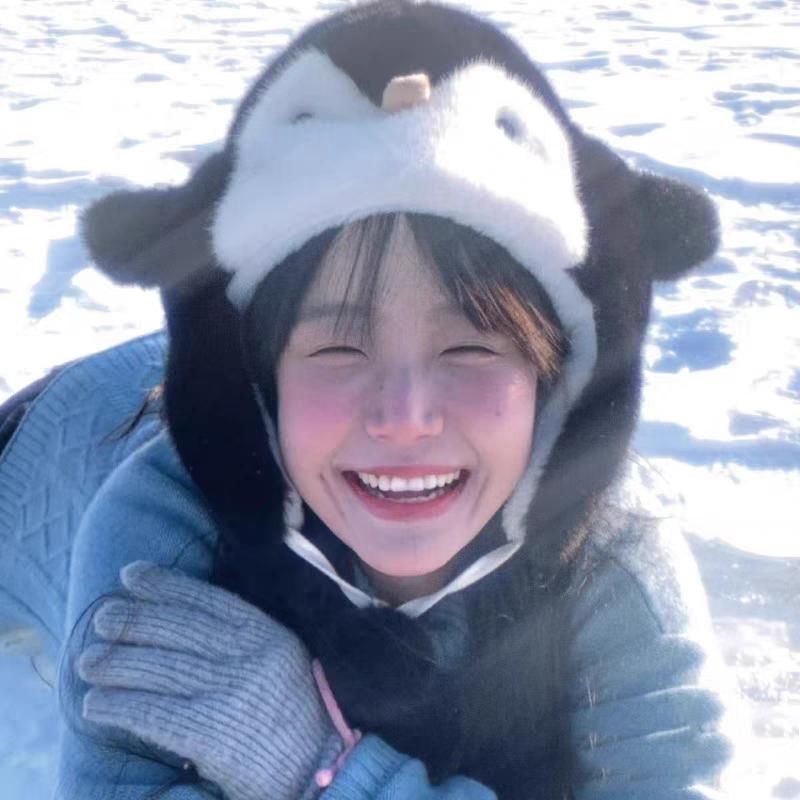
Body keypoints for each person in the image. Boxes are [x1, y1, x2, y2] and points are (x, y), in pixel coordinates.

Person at [0, 1, 745, 798]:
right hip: (46, 438)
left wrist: (322, 767)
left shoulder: (613, 559)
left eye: (471, 345)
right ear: (254, 380)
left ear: (554, 375)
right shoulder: (159, 532)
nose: (404, 417)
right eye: (337, 347)